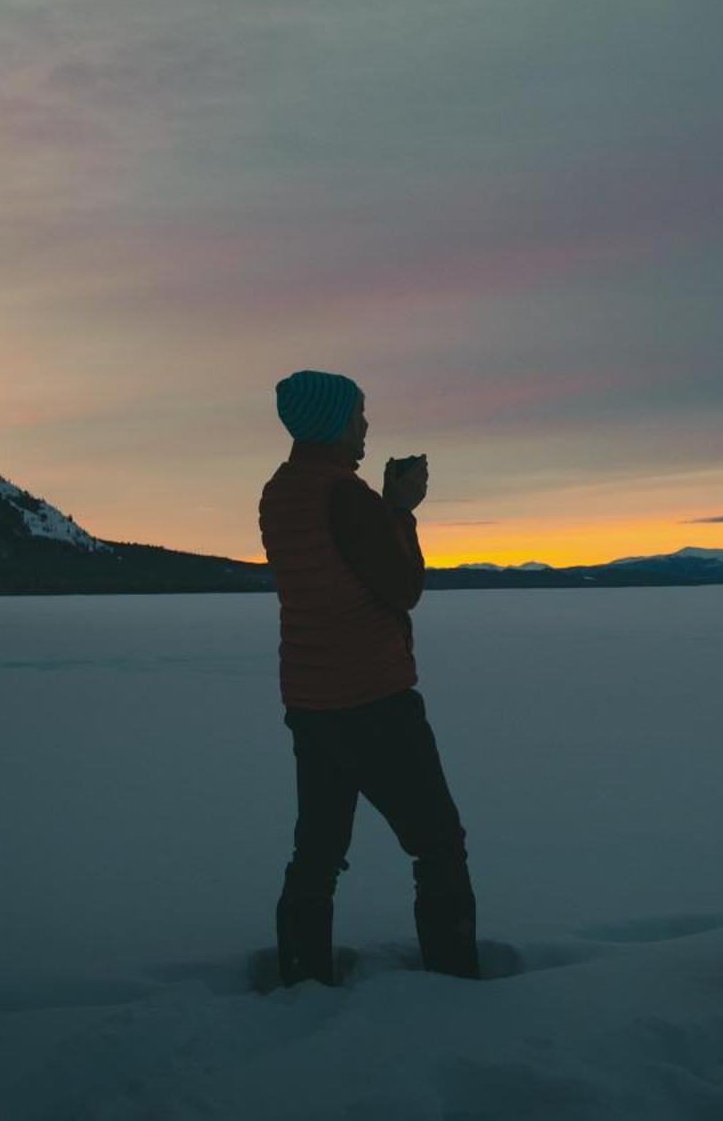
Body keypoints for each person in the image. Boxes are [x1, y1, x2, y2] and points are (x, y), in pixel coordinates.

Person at [258, 369, 478, 985]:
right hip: (373, 699)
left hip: (310, 701)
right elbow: (402, 588)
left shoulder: (280, 491)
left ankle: (302, 980)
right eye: (358, 414)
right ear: (332, 422)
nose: (366, 425)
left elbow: (336, 574)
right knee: (438, 845)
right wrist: (401, 512)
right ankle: (455, 979)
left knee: (318, 855)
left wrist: (381, 510)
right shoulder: (344, 496)